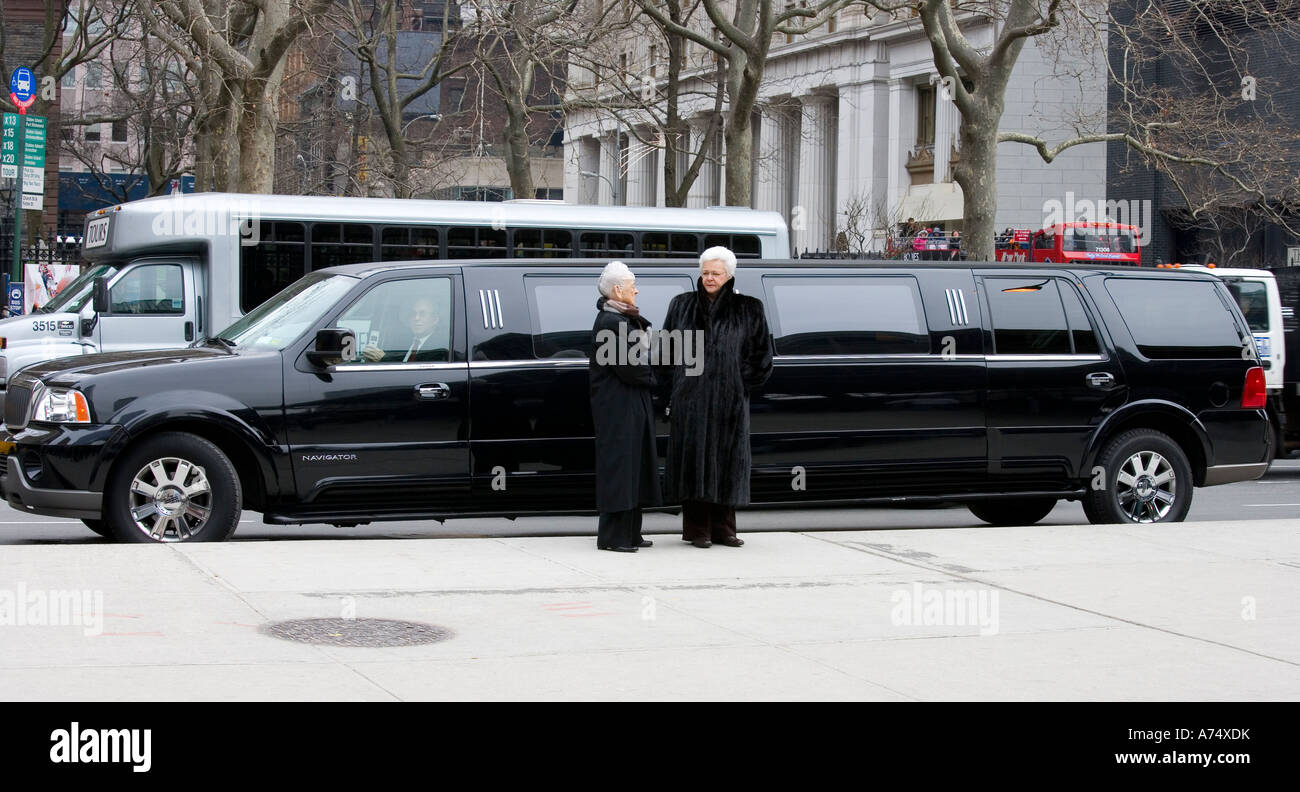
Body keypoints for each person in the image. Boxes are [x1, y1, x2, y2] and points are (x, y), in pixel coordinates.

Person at [659, 247, 773, 548]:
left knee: (727, 462)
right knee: (694, 462)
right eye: (706, 272)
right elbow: (666, 353)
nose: (709, 278)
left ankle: (725, 529)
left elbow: (762, 355)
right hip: (690, 400)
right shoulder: (681, 305)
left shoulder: (749, 308)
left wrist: (738, 383)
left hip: (730, 402)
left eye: (716, 273)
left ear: (729, 275)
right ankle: (697, 530)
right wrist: (675, 388)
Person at [589, 261, 661, 552]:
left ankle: (631, 533)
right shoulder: (611, 322)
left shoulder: (622, 318)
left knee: (635, 465)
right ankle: (614, 537)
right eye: (633, 285)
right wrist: (656, 375)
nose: (637, 289)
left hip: (630, 401)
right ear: (618, 290)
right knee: (621, 466)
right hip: (618, 405)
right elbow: (631, 367)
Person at [362, 295, 447, 362]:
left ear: (435, 319)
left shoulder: (439, 347)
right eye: (414, 313)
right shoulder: (403, 341)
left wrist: (383, 359)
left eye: (422, 314)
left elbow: (417, 374)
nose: (416, 318)